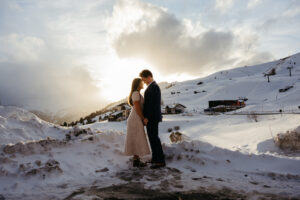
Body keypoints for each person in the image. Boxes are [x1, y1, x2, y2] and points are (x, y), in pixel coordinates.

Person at [139, 69, 166, 169]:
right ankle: (155, 158)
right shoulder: (152, 87)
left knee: (154, 138)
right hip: (152, 117)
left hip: (152, 118)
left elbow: (152, 105)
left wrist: (147, 117)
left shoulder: (154, 87)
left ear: (149, 76)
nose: (144, 81)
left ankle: (160, 161)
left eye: (144, 79)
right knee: (152, 138)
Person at [124, 78, 151, 167]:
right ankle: (136, 161)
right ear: (137, 84)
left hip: (135, 117)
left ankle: (136, 160)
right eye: (141, 82)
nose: (142, 83)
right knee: (137, 137)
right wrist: (143, 118)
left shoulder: (137, 93)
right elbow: (137, 107)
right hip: (135, 118)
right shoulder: (136, 93)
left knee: (136, 138)